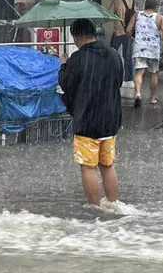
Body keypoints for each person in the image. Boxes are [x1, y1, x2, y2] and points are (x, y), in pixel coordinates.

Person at [59, 19, 123, 206]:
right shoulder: (112, 54)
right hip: (110, 120)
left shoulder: (77, 59)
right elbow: (118, 81)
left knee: (88, 166)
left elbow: (66, 85)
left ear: (77, 36)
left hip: (87, 121)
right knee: (107, 165)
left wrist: (63, 65)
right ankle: (112, 204)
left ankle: (95, 209)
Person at [126, 0, 163, 107]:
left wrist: (132, 38)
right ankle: (152, 98)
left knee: (139, 72)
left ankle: (138, 94)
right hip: (153, 50)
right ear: (155, 7)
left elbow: (127, 30)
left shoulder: (136, 16)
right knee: (153, 73)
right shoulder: (160, 18)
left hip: (139, 48)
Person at [109, 0, 135, 83]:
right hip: (128, 32)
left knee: (111, 53)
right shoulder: (132, 1)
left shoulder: (116, 1)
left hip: (118, 31)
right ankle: (129, 78)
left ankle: (111, 74)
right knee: (127, 56)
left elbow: (109, 13)